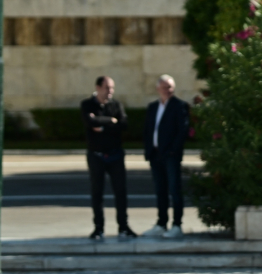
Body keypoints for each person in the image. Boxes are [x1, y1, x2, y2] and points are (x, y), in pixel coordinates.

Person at [80, 75, 136, 240]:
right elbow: (90, 122)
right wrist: (111, 120)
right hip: (96, 155)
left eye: (112, 88)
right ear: (98, 88)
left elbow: (123, 124)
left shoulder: (116, 105)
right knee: (97, 192)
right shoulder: (87, 104)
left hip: (115, 155)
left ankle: (123, 227)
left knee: (121, 192)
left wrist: (103, 126)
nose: (110, 91)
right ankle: (99, 228)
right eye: (107, 88)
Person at [141, 74, 190, 238]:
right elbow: (148, 130)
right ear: (158, 88)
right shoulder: (153, 107)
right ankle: (161, 224)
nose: (167, 90)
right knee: (160, 190)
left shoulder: (180, 106)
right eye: (164, 87)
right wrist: (148, 150)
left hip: (170, 156)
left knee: (174, 189)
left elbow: (182, 131)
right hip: (155, 155)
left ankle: (177, 225)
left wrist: (173, 151)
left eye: (170, 87)